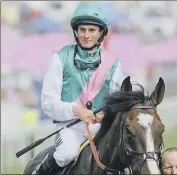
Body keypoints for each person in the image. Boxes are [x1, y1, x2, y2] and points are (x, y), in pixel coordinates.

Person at [33, 2, 127, 174]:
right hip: (70, 127)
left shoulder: (113, 64)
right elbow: (48, 103)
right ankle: (38, 171)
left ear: (101, 33)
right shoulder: (59, 58)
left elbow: (116, 101)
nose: (86, 35)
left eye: (92, 30)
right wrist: (76, 111)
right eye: (82, 29)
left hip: (101, 128)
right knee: (66, 154)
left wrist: (105, 114)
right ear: (76, 31)